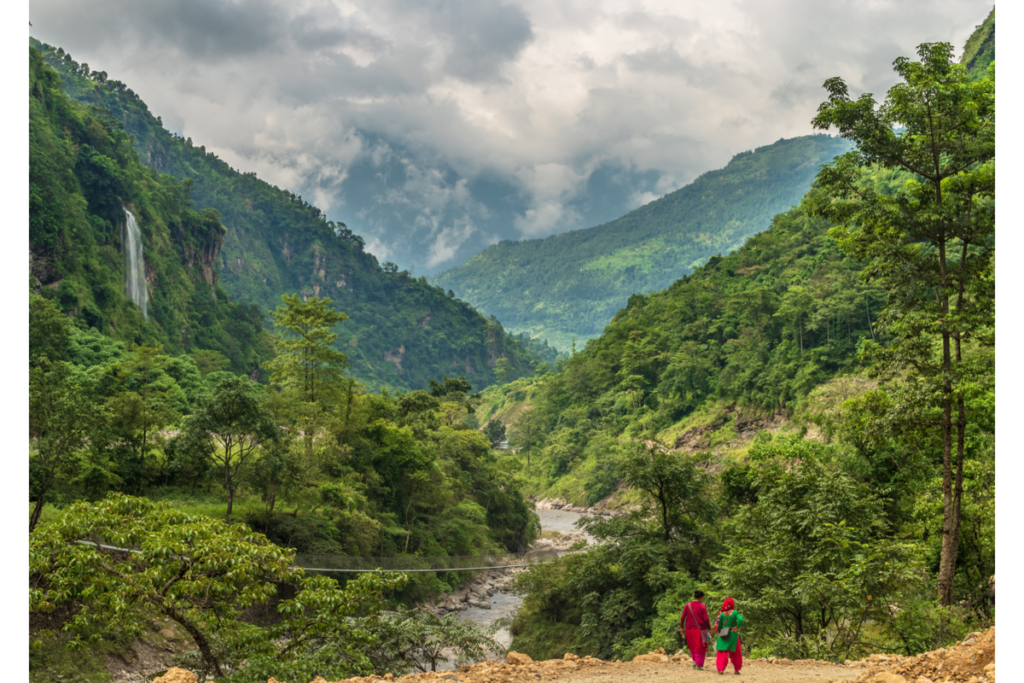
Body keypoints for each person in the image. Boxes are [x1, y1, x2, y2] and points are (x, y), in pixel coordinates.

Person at [679, 589, 712, 669]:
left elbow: (683, 617)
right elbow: (706, 619)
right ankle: (698, 665)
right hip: (698, 630)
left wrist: (681, 627)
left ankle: (694, 663)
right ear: (701, 598)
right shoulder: (702, 606)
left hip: (689, 630)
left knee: (692, 646)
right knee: (699, 647)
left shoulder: (688, 605)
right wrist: (709, 627)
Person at [714, 597, 744, 675]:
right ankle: (736, 670)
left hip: (723, 634)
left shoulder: (721, 613)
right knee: (736, 652)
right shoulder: (734, 612)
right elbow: (740, 619)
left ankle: (721, 670)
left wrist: (719, 632)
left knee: (722, 652)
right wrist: (737, 627)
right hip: (733, 634)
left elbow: (719, 625)